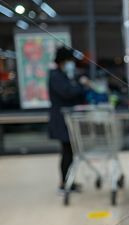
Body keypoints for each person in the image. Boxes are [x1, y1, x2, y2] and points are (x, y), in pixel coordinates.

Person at [48, 46, 87, 192]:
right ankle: (64, 183)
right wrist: (81, 86)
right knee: (66, 152)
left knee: (70, 152)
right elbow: (68, 93)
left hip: (68, 120)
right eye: (70, 60)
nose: (72, 63)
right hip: (61, 120)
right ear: (62, 61)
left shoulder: (65, 75)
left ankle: (69, 181)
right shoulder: (55, 76)